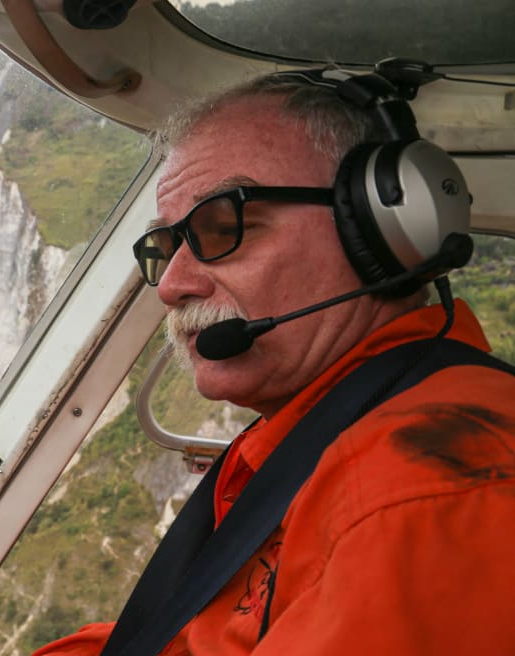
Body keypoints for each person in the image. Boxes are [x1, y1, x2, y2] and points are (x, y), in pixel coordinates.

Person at [32, 72, 515, 655]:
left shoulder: (420, 491)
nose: (172, 285)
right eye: (166, 246)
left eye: (225, 226)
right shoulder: (319, 430)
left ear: (383, 230)